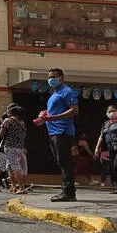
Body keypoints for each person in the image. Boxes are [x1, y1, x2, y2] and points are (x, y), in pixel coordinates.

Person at [38, 68, 79, 202]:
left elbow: (74, 110)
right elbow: (54, 111)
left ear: (61, 77)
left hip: (63, 132)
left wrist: (54, 118)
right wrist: (44, 115)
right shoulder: (55, 94)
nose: (51, 79)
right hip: (54, 132)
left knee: (65, 162)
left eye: (54, 76)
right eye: (49, 77)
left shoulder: (66, 92)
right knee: (61, 162)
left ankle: (69, 192)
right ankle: (66, 189)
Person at [95, 105, 117, 194]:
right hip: (110, 148)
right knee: (113, 168)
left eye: (113, 111)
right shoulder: (106, 123)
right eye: (109, 111)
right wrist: (97, 147)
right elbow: (101, 136)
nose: (111, 113)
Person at [0, 105, 28, 194]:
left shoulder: (8, 121)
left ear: (11, 112)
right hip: (19, 147)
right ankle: (13, 186)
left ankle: (21, 188)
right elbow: (23, 135)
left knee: (15, 167)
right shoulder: (21, 122)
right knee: (9, 166)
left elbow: (1, 134)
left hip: (10, 147)